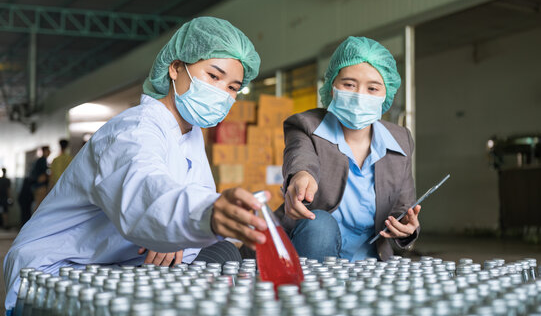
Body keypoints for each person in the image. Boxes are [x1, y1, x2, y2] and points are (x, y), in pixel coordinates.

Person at [3, 17, 269, 311]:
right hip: (57, 270)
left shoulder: (190, 135)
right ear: (176, 68)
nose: (222, 94)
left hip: (119, 265)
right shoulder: (133, 130)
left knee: (223, 254)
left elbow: (180, 199)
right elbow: (143, 189)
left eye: (233, 87)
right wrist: (201, 214)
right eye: (213, 76)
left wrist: (175, 232)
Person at [275, 36, 421, 262]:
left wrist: (406, 228)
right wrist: (301, 177)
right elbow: (300, 158)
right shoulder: (307, 126)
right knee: (319, 223)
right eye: (349, 85)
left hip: (369, 261)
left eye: (373, 88)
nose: (360, 96)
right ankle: (313, 294)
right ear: (332, 86)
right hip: (311, 252)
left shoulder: (400, 140)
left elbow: (402, 208)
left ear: (386, 95)